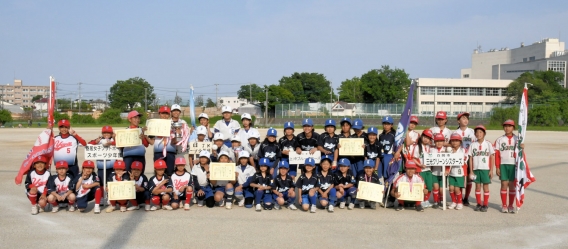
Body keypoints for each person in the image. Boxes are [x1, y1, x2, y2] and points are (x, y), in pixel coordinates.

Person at [468, 125, 495, 212]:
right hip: (476, 169)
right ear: (475, 134)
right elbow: (471, 158)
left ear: (484, 133)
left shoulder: (488, 144)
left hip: (485, 169)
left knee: (485, 186)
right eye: (477, 132)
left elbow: (492, 156)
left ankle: (485, 204)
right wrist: (471, 171)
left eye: (481, 132)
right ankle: (479, 203)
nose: (479, 134)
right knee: (477, 186)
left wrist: (491, 170)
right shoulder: (473, 145)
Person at [494, 119, 518, 213]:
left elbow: (521, 153)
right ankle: (504, 205)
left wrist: (522, 146)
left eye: (509, 126)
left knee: (512, 185)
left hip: (513, 164)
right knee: (504, 184)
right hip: (503, 164)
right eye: (505, 126)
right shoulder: (500, 140)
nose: (507, 128)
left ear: (513, 127)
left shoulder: (517, 139)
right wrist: (497, 166)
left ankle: (511, 205)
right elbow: (497, 154)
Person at [454, 112, 476, 206]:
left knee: (469, 179)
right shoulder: (455, 133)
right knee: (461, 178)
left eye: (467, 118)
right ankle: (460, 197)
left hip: (470, 158)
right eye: (463, 118)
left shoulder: (472, 132)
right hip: (460, 158)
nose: (465, 120)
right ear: (458, 121)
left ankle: (466, 197)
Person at [147, 106, 176, 176]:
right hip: (158, 152)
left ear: (169, 115)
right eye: (163, 113)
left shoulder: (174, 125)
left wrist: (178, 133)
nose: (164, 116)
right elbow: (152, 142)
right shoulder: (154, 125)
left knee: (170, 173)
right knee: (158, 174)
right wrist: (145, 135)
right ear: (159, 114)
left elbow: (176, 141)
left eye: (166, 114)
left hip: (170, 152)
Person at [88, 125, 116, 197]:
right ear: (102, 133)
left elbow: (120, 145)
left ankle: (110, 197)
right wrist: (95, 142)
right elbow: (88, 145)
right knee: (101, 182)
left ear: (111, 133)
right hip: (101, 166)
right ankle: (101, 197)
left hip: (112, 166)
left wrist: (113, 140)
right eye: (104, 133)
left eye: (108, 133)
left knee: (110, 182)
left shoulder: (114, 140)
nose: (106, 134)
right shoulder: (99, 140)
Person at [410, 130, 434, 208]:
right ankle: (421, 200)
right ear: (421, 137)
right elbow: (413, 158)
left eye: (428, 138)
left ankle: (426, 200)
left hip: (429, 169)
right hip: (421, 170)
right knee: (422, 186)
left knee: (429, 186)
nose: (426, 139)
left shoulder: (430, 147)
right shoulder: (417, 147)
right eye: (425, 137)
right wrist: (420, 165)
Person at [447, 133, 468, 210]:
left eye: (456, 141)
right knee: (451, 188)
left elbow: (465, 159)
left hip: (460, 172)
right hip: (451, 172)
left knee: (457, 189)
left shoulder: (463, 150)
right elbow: (446, 161)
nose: (454, 142)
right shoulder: (449, 150)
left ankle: (459, 202)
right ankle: (454, 201)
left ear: (460, 142)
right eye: (452, 141)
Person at [430, 133, 448, 209]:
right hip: (434, 172)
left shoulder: (446, 150)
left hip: (443, 173)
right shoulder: (432, 150)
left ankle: (442, 200)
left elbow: (449, 161)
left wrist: (447, 170)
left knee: (441, 189)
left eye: (441, 141)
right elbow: (429, 160)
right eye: (437, 141)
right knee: (435, 187)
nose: (439, 143)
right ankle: (436, 201)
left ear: (444, 142)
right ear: (434, 142)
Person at [377, 116, 395, 182]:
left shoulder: (394, 134)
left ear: (391, 125)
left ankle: (389, 191)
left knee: (387, 175)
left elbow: (398, 145)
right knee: (379, 175)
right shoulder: (381, 135)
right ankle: (383, 190)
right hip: (381, 156)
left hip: (389, 156)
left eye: (388, 124)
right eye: (384, 124)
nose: (386, 126)